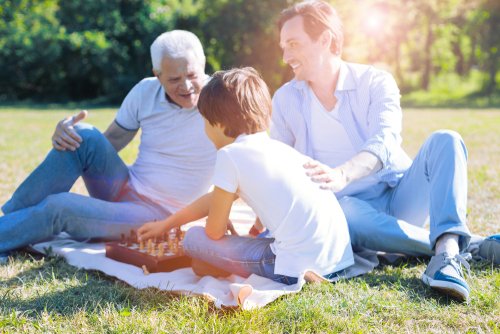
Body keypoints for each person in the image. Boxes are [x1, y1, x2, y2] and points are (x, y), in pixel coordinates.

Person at [269, 0, 497, 301]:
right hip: (344, 216)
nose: (286, 56)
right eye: (284, 46)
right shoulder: (286, 99)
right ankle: (459, 246)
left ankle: (440, 255)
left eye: (293, 44)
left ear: (324, 40)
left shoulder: (374, 82)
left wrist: (342, 174)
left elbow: (384, 142)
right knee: (347, 208)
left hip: (398, 198)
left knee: (447, 139)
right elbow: (279, 166)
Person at [0, 30, 216, 263]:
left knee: (61, 207)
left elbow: (250, 155)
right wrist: (67, 136)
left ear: (203, 66)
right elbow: (110, 140)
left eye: (192, 75)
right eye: (174, 79)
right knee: (83, 135)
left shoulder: (222, 98)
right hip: (125, 186)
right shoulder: (145, 91)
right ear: (158, 75)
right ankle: (13, 222)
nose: (186, 86)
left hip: (157, 216)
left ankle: (12, 229)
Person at [138, 67, 354, 284]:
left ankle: (233, 266)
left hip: (294, 265)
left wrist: (218, 226)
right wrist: (167, 224)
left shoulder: (230, 155)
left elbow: (213, 233)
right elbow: (214, 199)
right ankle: (221, 264)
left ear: (219, 124)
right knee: (230, 249)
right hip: (338, 262)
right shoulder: (279, 149)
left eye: (204, 122)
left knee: (194, 238)